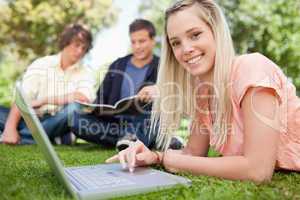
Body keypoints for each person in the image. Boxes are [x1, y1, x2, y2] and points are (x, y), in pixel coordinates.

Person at [106, 0, 300, 182]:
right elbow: (192, 153)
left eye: (195, 35)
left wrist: (166, 159)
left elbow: (258, 170)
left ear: (215, 31)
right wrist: (153, 155)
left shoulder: (252, 67)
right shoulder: (203, 94)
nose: (186, 49)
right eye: (176, 43)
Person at [71, 19, 183, 150]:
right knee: (77, 121)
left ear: (153, 40)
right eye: (133, 42)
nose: (137, 46)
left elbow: (172, 95)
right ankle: (146, 139)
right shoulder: (117, 65)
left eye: (142, 41)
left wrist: (158, 91)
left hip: (145, 121)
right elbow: (102, 97)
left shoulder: (162, 67)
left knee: (152, 113)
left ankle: (133, 138)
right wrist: (93, 108)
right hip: (114, 123)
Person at [0, 24, 95, 145]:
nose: (80, 51)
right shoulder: (42, 63)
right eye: (77, 45)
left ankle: (23, 138)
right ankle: (50, 138)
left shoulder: (86, 72)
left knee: (75, 109)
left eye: (84, 48)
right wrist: (10, 128)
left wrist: (43, 100)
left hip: (59, 120)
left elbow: (83, 97)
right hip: (32, 119)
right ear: (66, 42)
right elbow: (22, 98)